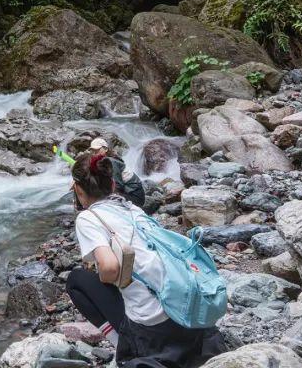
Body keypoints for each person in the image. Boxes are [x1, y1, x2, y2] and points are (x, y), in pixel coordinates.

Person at [66, 153, 224, 368]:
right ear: (113, 184)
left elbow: (110, 267)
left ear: (78, 190)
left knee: (77, 280)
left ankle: (123, 344)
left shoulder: (88, 218)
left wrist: (118, 281)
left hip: (151, 327)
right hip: (186, 310)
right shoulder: (133, 209)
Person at [90, 137, 145, 208]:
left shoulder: (111, 162)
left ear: (106, 149)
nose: (94, 153)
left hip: (135, 197)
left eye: (97, 150)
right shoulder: (104, 162)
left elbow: (118, 185)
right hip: (128, 194)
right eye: (92, 150)